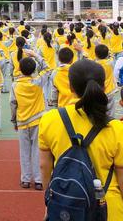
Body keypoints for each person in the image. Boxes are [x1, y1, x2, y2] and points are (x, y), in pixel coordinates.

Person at [39, 59, 123, 220]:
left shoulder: (50, 119)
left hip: (67, 206)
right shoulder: (117, 128)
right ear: (103, 86)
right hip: (108, 208)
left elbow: (44, 167)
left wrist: (50, 199)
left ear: (70, 87)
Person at [10, 57, 49, 190]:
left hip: (22, 120)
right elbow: (48, 68)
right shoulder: (37, 81)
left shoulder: (15, 85)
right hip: (37, 120)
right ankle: (38, 180)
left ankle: (25, 179)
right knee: (37, 150)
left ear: (19, 69)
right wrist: (36, 55)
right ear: (34, 69)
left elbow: (13, 104)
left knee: (24, 151)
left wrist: (14, 120)